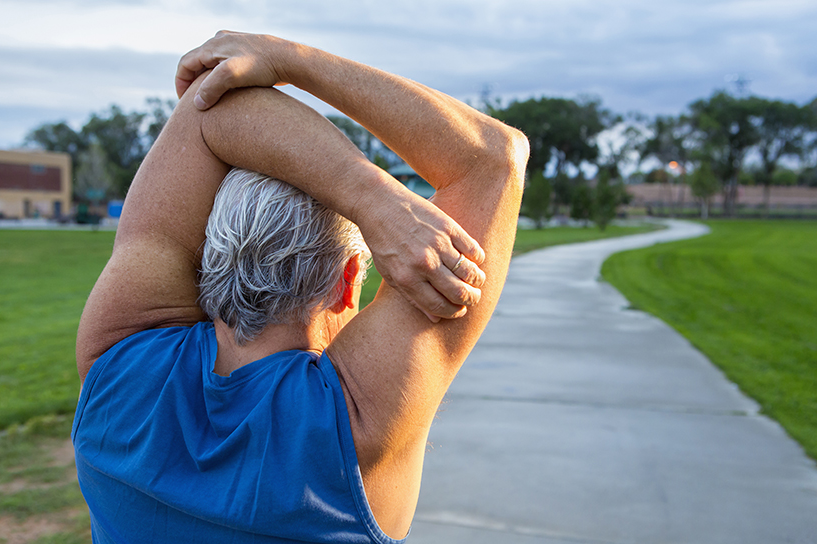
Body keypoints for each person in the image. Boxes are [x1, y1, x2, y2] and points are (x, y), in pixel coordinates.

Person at [73, 31, 528, 543]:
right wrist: (287, 60)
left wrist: (370, 200)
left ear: (205, 253)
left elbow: (207, 112)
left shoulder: (115, 355)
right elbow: (495, 158)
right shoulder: (356, 424)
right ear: (348, 281)